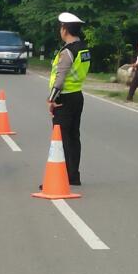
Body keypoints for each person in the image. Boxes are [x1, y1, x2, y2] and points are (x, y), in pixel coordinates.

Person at [47, 12, 90, 186]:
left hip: (63, 98)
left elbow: (60, 78)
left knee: (61, 137)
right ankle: (73, 175)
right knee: (73, 136)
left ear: (65, 29)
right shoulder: (84, 49)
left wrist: (51, 99)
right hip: (77, 96)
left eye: (61, 27)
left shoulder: (67, 52)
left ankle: (61, 176)